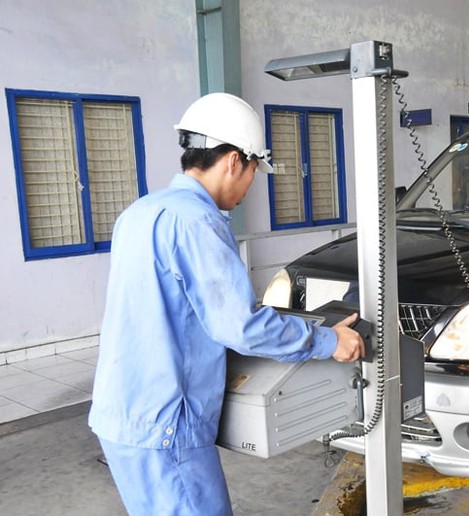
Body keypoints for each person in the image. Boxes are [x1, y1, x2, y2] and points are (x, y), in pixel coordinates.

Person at [88, 92, 365, 515]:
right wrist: (329, 341)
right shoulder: (197, 221)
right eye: (254, 170)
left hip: (121, 416)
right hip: (167, 424)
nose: (251, 184)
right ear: (235, 161)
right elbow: (239, 325)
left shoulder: (140, 213)